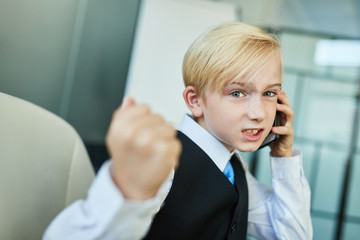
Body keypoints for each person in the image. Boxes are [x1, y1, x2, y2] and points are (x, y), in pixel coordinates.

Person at [43, 22, 312, 239]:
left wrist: (283, 155)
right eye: (238, 92)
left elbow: (290, 235)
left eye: (269, 93)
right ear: (195, 101)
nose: (259, 113)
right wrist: (128, 191)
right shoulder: (165, 162)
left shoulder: (233, 169)